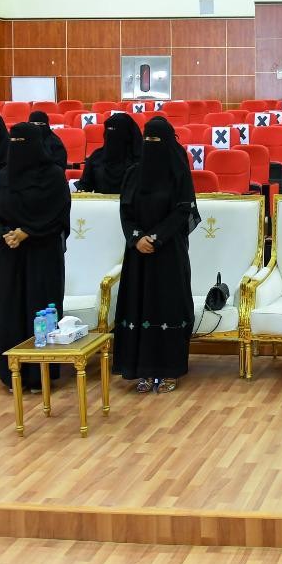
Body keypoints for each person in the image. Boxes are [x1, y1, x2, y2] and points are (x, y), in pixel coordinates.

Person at [113, 118, 201, 394]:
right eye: (147, 139)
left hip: (168, 253)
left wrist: (155, 237)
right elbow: (125, 211)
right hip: (138, 254)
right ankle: (143, 370)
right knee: (139, 307)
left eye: (156, 140)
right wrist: (137, 238)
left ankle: (169, 370)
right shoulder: (133, 174)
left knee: (167, 306)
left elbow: (183, 210)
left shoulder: (179, 173)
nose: (151, 145)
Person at [0, 122, 71, 389]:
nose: (17, 148)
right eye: (14, 142)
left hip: (43, 256)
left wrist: (27, 232)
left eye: (23, 143)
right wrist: (5, 234)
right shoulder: (2, 177)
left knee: (40, 310)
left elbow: (58, 214)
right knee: (11, 311)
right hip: (10, 256)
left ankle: (41, 374)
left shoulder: (54, 176)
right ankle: (13, 374)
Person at [76, 114, 142, 194]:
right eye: (108, 129)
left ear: (128, 134)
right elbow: (84, 185)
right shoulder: (96, 157)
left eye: (115, 130)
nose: (110, 134)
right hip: (100, 202)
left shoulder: (140, 159)